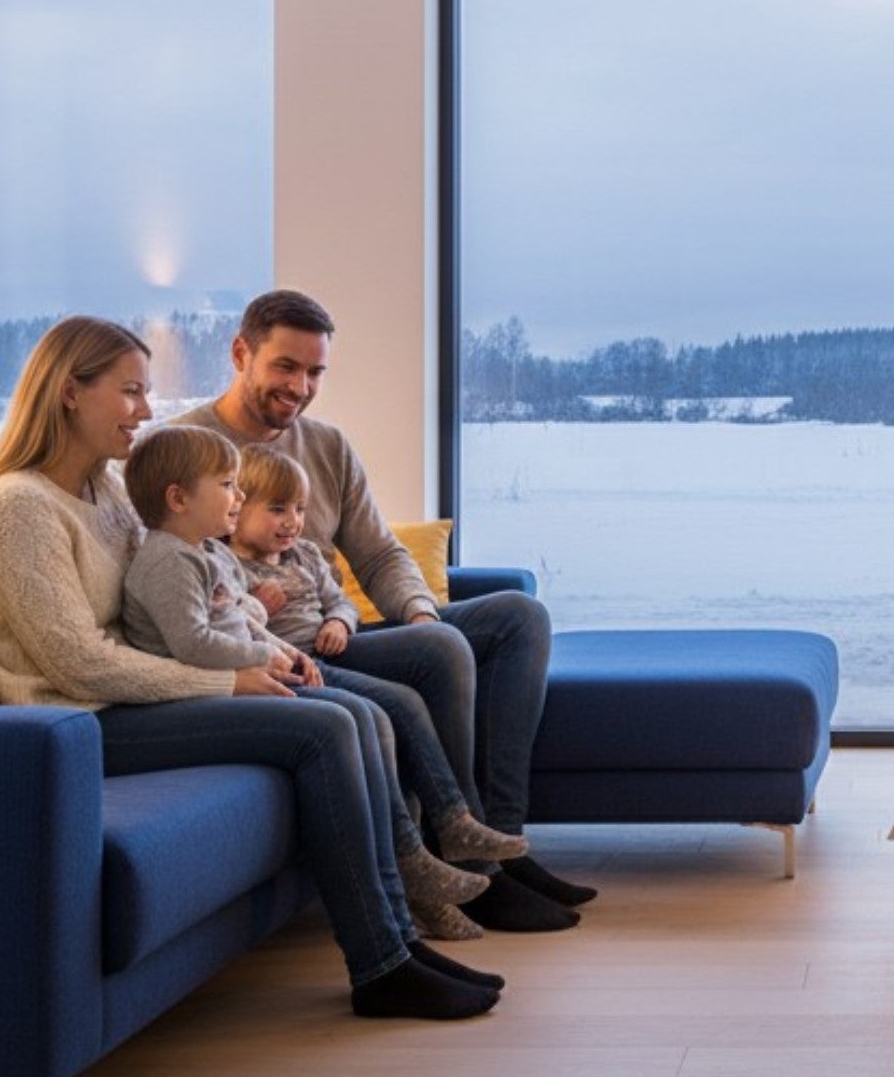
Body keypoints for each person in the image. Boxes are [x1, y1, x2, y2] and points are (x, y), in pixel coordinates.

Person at [0, 316, 502, 1019]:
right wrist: (225, 679)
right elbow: (79, 665)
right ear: (67, 392)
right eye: (131, 392)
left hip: (142, 693)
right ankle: (381, 963)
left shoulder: (107, 493)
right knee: (323, 731)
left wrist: (262, 641)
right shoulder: (15, 509)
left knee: (360, 708)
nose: (146, 412)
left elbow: (186, 588)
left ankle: (399, 938)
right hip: (78, 724)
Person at [169, 289, 590, 931]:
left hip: (333, 630)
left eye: (314, 372)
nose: (301, 386)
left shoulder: (328, 448)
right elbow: (164, 580)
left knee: (517, 618)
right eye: (285, 367)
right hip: (269, 649)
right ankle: (477, 871)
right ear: (240, 354)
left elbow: (379, 553)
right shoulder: (184, 449)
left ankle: (497, 836)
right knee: (441, 650)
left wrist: (421, 613)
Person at [116, 427, 500, 940]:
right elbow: (194, 643)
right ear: (179, 498)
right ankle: (410, 869)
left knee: (388, 706)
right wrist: (270, 655)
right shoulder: (169, 559)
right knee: (364, 713)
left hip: (271, 661)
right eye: (229, 487)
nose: (236, 498)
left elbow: (242, 622)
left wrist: (287, 650)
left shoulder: (202, 552)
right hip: (204, 691)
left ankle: (437, 836)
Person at [226, 442, 529, 940]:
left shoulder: (303, 553)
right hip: (292, 666)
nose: (292, 522)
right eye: (277, 509)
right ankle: (428, 863)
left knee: (484, 631)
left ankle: (456, 821)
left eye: (299, 510)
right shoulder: (226, 566)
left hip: (330, 649)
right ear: (235, 511)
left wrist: (343, 623)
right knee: (394, 706)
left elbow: (341, 597)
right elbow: (225, 626)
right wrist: (259, 608)